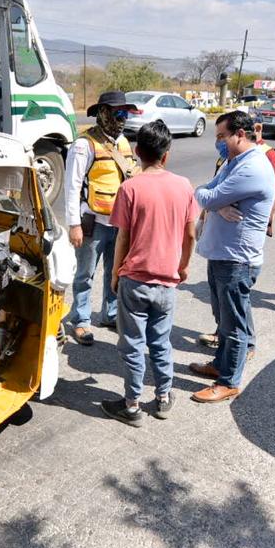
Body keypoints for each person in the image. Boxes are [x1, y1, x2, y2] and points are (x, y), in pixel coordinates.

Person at [100, 120, 198, 426]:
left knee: (132, 344)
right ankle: (164, 398)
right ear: (166, 154)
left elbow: (123, 237)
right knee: (161, 342)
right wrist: (183, 266)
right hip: (167, 283)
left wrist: (116, 272)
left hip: (135, 280)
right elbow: (191, 234)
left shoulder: (129, 188)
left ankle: (131, 405)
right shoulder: (184, 186)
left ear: (138, 152)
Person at [187, 111, 275, 404]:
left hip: (237, 260)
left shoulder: (252, 168)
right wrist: (215, 204)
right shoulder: (234, 162)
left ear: (240, 133)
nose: (219, 143)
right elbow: (203, 192)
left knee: (234, 324)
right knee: (222, 318)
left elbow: (208, 197)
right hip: (223, 255)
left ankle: (229, 381)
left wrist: (214, 203)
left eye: (222, 137)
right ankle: (220, 365)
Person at [62, 90, 138, 345]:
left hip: (119, 223)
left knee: (115, 271)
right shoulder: (84, 145)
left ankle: (111, 313)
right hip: (92, 222)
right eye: (118, 113)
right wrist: (74, 225)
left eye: (125, 114)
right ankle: (81, 320)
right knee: (85, 274)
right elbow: (72, 186)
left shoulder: (124, 142)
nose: (122, 119)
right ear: (103, 114)